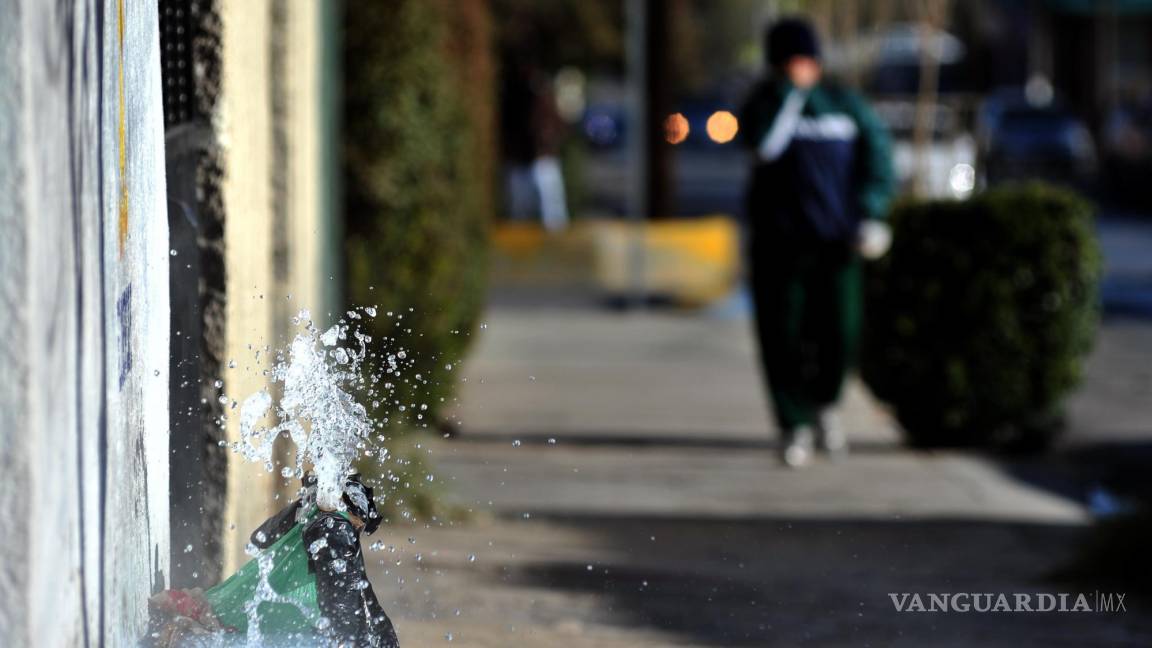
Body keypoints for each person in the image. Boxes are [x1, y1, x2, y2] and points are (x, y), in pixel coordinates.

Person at [738, 17, 896, 468]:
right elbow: (762, 147)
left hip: (836, 242)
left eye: (806, 59)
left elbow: (878, 157)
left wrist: (871, 211)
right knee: (782, 337)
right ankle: (793, 425)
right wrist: (789, 95)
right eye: (791, 61)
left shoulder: (844, 104)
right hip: (779, 245)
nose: (800, 68)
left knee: (839, 333)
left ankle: (826, 406)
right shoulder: (764, 104)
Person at [148, 473, 399, 647]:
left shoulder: (322, 519)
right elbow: (339, 605)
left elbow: (261, 537)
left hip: (232, 611)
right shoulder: (333, 527)